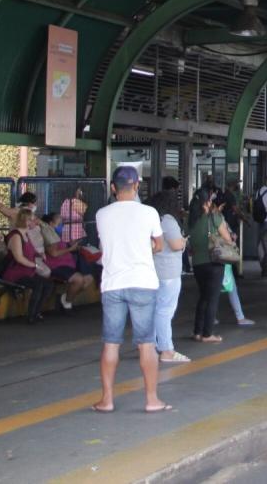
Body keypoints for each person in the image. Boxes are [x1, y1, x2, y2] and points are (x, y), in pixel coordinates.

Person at [93, 166, 168, 414]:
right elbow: (158, 245)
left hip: (113, 284)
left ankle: (107, 400)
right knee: (146, 344)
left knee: (111, 343)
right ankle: (151, 400)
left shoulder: (102, 214)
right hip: (143, 283)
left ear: (113, 188)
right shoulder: (149, 213)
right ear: (137, 186)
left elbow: (105, 245)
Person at [148, 191, 189, 363]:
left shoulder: (151, 219)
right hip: (169, 272)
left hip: (154, 270)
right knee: (165, 311)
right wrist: (184, 241)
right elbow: (176, 244)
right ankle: (166, 350)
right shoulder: (167, 220)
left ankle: (149, 346)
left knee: (154, 310)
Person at [189, 189, 234, 343]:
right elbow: (227, 239)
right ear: (207, 202)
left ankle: (197, 331)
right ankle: (207, 334)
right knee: (212, 298)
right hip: (214, 262)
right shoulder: (214, 218)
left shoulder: (191, 219)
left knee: (203, 297)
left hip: (197, 263)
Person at [0, 210, 55, 325]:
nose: (35, 221)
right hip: (16, 272)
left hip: (27, 270)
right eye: (32, 219)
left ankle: (37, 312)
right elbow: (19, 258)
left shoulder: (25, 234)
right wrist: (35, 265)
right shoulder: (16, 235)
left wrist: (39, 255)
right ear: (25, 221)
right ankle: (31, 315)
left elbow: (30, 250)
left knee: (48, 284)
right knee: (38, 285)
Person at [39, 213, 93, 310]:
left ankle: (66, 297)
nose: (62, 226)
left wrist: (74, 244)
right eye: (59, 223)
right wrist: (69, 249)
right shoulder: (48, 235)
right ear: (51, 223)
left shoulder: (61, 234)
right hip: (56, 265)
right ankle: (67, 304)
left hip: (68, 264)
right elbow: (54, 253)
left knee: (88, 279)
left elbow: (69, 244)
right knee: (79, 280)